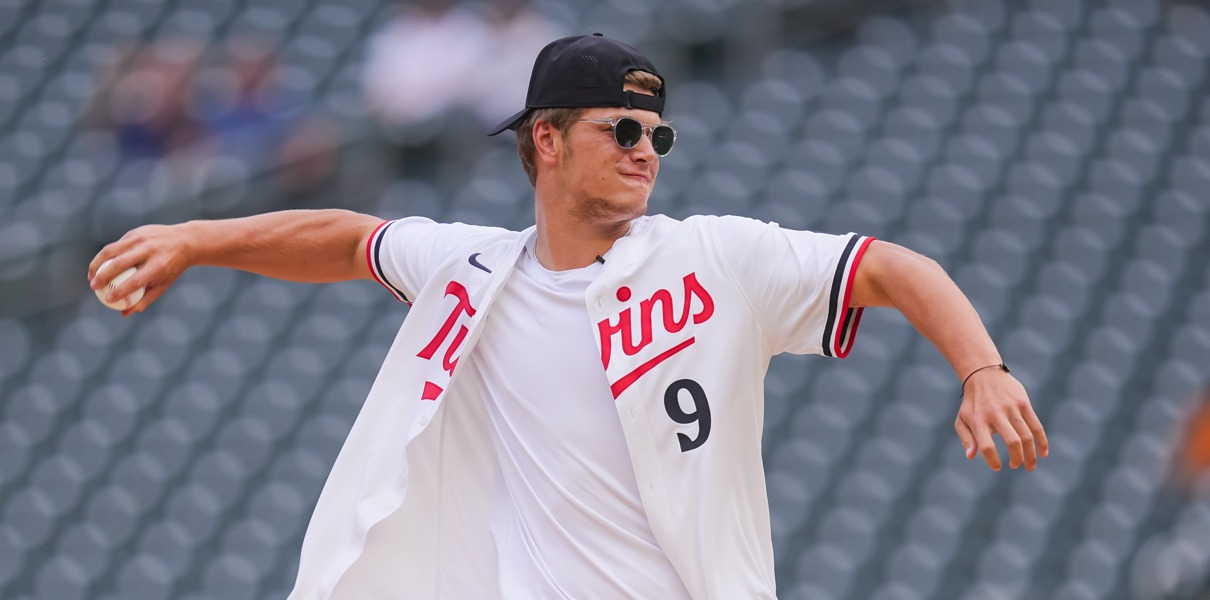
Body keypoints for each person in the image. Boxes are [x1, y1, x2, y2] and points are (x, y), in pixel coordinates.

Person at [89, 34, 1049, 599]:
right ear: (545, 138)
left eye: (657, 134)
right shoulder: (475, 272)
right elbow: (347, 238)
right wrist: (199, 237)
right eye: (620, 129)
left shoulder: (716, 255)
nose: (646, 150)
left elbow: (892, 267)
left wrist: (983, 368)